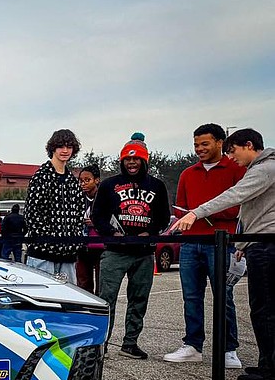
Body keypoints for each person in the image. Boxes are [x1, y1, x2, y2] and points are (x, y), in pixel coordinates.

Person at [172, 128, 275, 380]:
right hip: (256, 242)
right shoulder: (259, 169)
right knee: (261, 306)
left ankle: (269, 367)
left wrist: (196, 212)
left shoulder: (265, 169)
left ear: (249, 145)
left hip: (267, 245)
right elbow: (251, 210)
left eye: (233, 151)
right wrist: (244, 240)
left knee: (265, 307)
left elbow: (236, 196)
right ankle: (266, 363)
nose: (232, 157)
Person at [163, 124, 246, 368]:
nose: (199, 149)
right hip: (190, 243)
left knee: (224, 295)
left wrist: (200, 213)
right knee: (191, 296)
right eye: (196, 145)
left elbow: (237, 206)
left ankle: (229, 349)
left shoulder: (235, 169)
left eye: (205, 144)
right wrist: (192, 216)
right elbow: (181, 207)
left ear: (220, 142)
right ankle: (192, 345)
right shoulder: (188, 174)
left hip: (221, 243)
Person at [91, 133, 171, 359]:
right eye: (127, 159)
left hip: (144, 253)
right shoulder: (109, 184)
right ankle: (100, 345)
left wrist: (151, 231)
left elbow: (164, 216)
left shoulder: (157, 185)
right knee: (106, 299)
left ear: (144, 161)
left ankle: (130, 343)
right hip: (115, 251)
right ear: (122, 161)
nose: (132, 163)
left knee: (139, 300)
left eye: (136, 159)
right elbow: (97, 215)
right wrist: (111, 232)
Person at [24, 129, 85, 283]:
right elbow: (31, 214)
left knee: (69, 302)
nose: (65, 150)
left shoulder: (72, 180)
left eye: (69, 146)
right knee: (41, 300)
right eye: (61, 146)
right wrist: (47, 241)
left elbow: (79, 214)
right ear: (53, 148)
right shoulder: (41, 176)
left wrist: (74, 241)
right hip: (42, 254)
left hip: (68, 256)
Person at [75, 165, 104, 293]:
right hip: (82, 246)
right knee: (83, 282)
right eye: (81, 180)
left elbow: (113, 220)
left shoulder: (105, 198)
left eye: (87, 180)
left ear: (96, 180)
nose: (83, 183)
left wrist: (96, 222)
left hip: (101, 246)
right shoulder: (78, 199)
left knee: (102, 283)